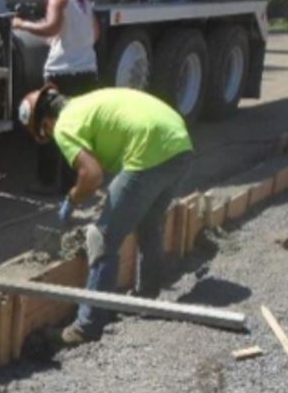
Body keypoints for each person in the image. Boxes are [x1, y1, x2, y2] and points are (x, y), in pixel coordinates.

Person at [18, 84, 194, 345]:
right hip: (179, 142)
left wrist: (72, 199)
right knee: (149, 223)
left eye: (46, 133)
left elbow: (91, 175)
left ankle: (86, 326)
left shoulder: (65, 125)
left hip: (149, 149)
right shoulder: (83, 104)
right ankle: (147, 298)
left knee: (101, 238)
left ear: (45, 123)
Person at [12, 0, 101, 192]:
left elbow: (50, 27)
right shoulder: (84, 1)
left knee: (48, 128)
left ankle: (46, 182)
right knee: (76, 132)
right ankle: (71, 185)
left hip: (61, 73)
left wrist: (22, 25)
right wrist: (65, 40)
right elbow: (94, 35)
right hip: (86, 72)